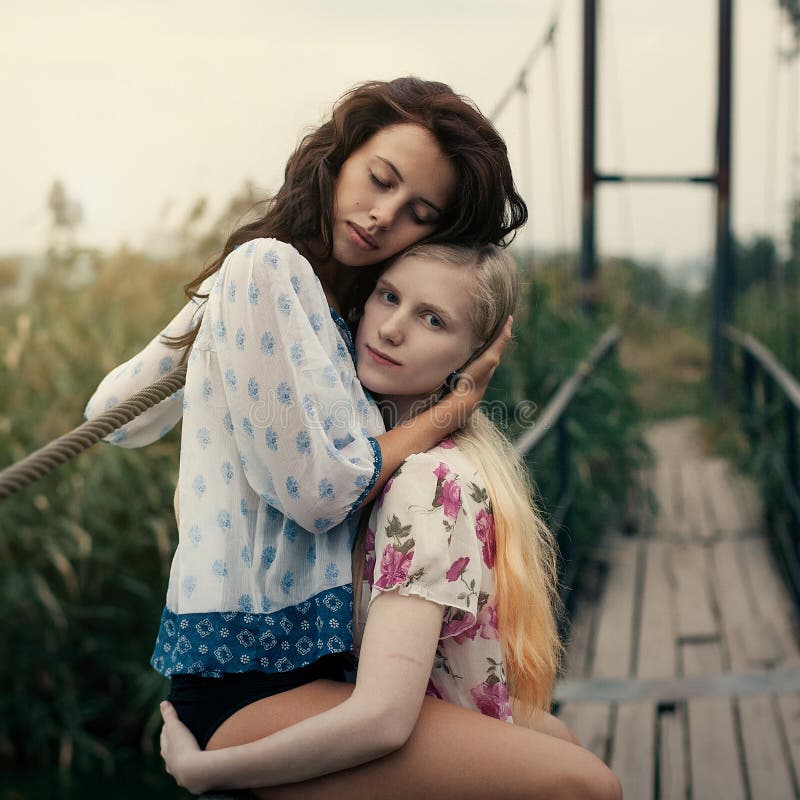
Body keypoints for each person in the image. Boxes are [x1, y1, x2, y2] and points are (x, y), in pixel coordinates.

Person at [83, 77, 526, 756]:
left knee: (549, 747)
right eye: (379, 179)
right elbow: (320, 495)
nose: (383, 216)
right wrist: (454, 409)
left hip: (310, 666)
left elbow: (113, 417)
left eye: (417, 213)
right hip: (250, 672)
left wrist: (226, 307)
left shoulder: (334, 311)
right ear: (339, 156)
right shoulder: (266, 268)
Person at [158, 244, 623, 800]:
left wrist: (205, 772)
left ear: (474, 356)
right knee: (583, 781)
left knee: (568, 755)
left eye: (432, 319)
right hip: (251, 699)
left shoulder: (424, 478)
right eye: (389, 296)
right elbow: (382, 718)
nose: (393, 329)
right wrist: (210, 769)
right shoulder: (342, 455)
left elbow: (385, 716)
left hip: (294, 697)